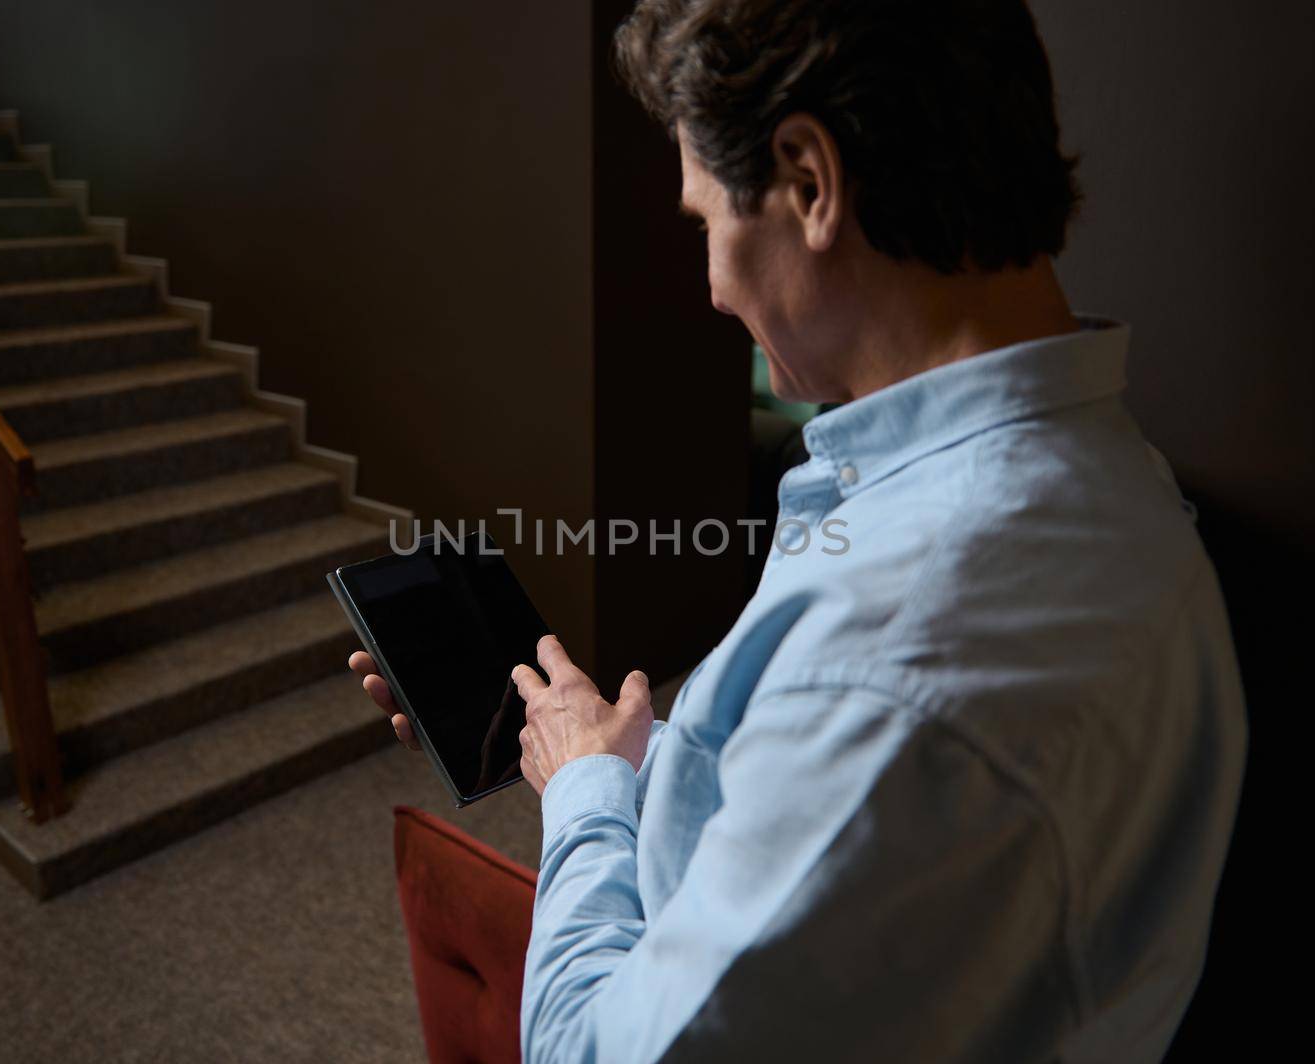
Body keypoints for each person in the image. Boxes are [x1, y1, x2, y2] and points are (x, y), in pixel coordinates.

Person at [350, 0, 1247, 1059]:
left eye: (704, 225)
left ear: (808, 181)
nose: (714, 289)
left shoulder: (888, 663)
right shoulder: (1112, 478)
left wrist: (590, 794)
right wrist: (619, 759)